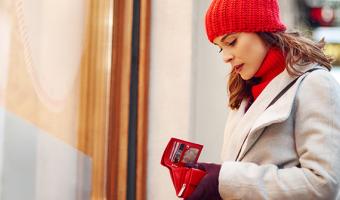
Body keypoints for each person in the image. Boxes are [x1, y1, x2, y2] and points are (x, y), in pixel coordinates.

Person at [185, 0, 340, 199]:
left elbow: (324, 184)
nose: (225, 57)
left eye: (231, 42)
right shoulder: (243, 93)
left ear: (263, 30)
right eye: (219, 48)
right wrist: (211, 181)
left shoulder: (316, 84)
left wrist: (224, 181)